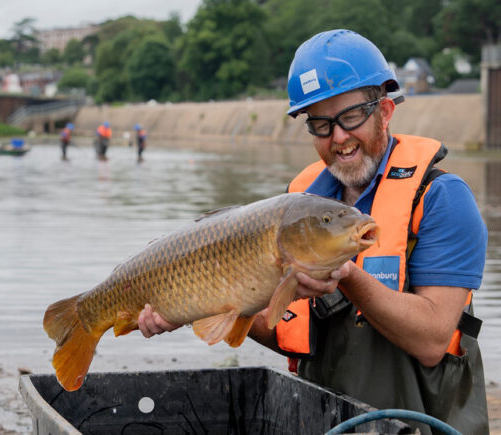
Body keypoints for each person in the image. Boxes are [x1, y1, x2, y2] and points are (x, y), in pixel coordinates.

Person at [136, 29, 489, 434]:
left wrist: (348, 276)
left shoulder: (440, 198)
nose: (339, 138)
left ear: (386, 111)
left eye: (351, 117)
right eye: (321, 124)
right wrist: (191, 304)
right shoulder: (298, 206)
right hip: (329, 422)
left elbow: (431, 340)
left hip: (421, 425)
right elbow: (285, 332)